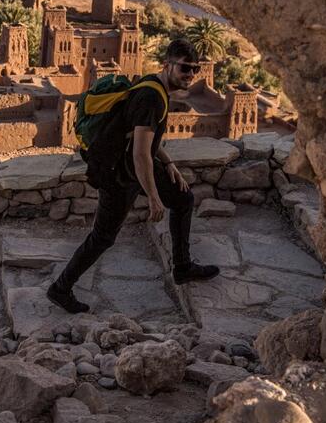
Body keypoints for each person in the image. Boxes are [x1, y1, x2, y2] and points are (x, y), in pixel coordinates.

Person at [47, 39, 220, 314]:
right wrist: (152, 196)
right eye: (185, 68)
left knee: (183, 198)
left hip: (132, 167)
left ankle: (183, 266)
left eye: (195, 70)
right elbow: (141, 153)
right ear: (168, 65)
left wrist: (168, 163)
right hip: (120, 173)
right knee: (103, 237)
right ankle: (60, 288)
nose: (190, 75)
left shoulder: (156, 87)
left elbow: (148, 139)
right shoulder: (152, 98)